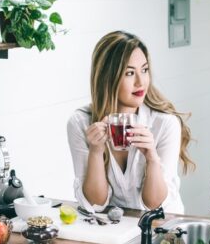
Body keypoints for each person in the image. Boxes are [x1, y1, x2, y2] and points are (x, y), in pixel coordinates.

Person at [67, 31, 194, 214]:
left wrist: (151, 157)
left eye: (144, 70)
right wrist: (95, 152)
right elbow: (95, 204)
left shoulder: (165, 124)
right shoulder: (80, 123)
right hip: (117, 230)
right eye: (129, 73)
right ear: (107, 78)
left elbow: (154, 205)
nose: (140, 81)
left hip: (164, 229)